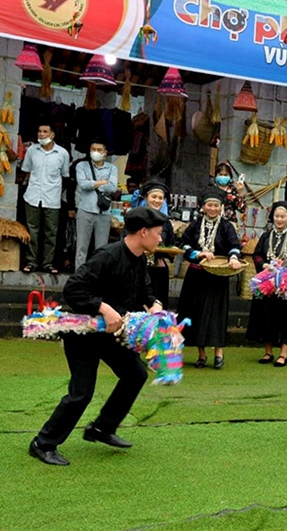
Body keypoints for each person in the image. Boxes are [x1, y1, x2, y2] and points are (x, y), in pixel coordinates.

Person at [28, 207, 167, 466]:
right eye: (158, 234)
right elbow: (73, 289)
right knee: (82, 393)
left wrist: (154, 304)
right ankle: (43, 443)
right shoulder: (108, 255)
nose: (161, 239)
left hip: (111, 335)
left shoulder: (138, 258)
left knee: (135, 374)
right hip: (84, 333)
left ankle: (102, 428)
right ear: (144, 232)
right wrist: (103, 306)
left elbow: (145, 288)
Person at [177, 187, 243, 369]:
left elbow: (234, 245)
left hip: (217, 276)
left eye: (216, 205)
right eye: (209, 205)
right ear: (203, 207)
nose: (213, 209)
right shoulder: (195, 225)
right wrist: (197, 254)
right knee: (196, 313)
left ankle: (218, 352)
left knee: (216, 314)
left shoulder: (226, 226)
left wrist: (234, 257)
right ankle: (201, 354)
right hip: (196, 276)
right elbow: (183, 245)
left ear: (221, 207)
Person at [246, 201, 287, 366]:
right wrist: (264, 264)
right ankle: (268, 351)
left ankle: (283, 353)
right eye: (276, 216)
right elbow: (256, 254)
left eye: (282, 217)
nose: (279, 220)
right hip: (267, 283)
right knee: (266, 316)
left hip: (284, 285)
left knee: (285, 317)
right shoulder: (266, 236)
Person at [22, 123, 71, 274]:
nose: (41, 134)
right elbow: (27, 170)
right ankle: (31, 261)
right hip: (33, 195)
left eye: (45, 132)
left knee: (51, 232)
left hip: (52, 197)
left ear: (52, 135)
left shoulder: (62, 153)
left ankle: (48, 263)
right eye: (39, 131)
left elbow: (64, 175)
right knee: (32, 230)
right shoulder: (32, 150)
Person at [74, 139, 118, 270]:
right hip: (85, 210)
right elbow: (83, 184)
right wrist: (102, 182)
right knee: (81, 247)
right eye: (93, 149)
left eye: (99, 150)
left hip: (103, 212)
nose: (96, 152)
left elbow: (113, 187)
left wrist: (92, 183)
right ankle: (79, 275)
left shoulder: (112, 168)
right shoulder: (82, 166)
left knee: (101, 248)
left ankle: (98, 276)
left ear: (105, 153)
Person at [135, 180, 175, 308]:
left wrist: (167, 251)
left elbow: (171, 244)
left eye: (160, 198)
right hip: (138, 266)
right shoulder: (136, 218)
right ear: (146, 198)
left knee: (158, 304)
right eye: (154, 197)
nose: (157, 200)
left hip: (158, 270)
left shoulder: (166, 223)